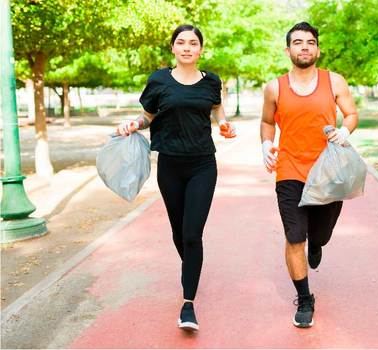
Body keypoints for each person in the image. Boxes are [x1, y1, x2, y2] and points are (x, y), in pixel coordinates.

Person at [116, 24, 235, 332]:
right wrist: (134, 123)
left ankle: (188, 303)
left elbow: (217, 111)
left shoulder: (211, 82)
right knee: (179, 232)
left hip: (202, 166)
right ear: (172, 48)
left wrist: (224, 125)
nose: (186, 47)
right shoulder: (159, 80)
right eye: (180, 42)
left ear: (200, 49)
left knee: (193, 234)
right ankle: (191, 267)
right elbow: (149, 117)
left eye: (193, 43)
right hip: (169, 165)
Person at [260, 22, 358, 328]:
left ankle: (317, 243)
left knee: (320, 235)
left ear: (317, 49)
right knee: (293, 238)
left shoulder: (334, 81)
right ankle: (304, 299)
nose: (305, 46)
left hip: (329, 171)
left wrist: (345, 130)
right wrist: (266, 144)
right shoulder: (275, 87)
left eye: (310, 42)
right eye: (298, 42)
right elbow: (267, 122)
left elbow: (352, 114)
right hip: (289, 170)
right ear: (288, 50)